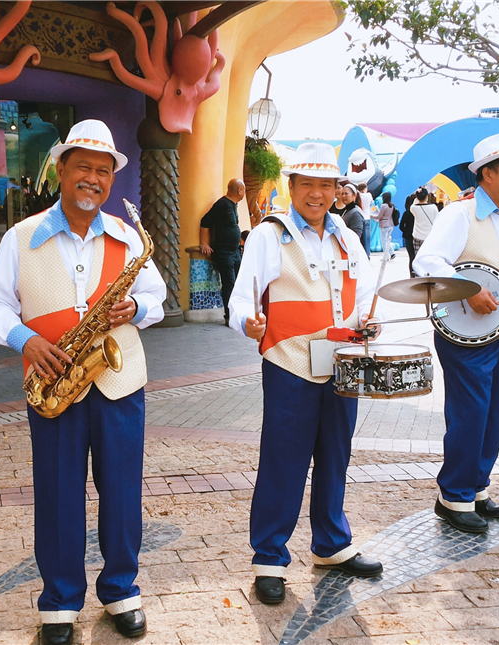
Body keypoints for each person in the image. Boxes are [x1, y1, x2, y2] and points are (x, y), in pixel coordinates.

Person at [0, 119, 166, 645]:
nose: (93, 178)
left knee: (123, 492)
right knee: (58, 495)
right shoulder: (21, 236)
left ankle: (122, 590)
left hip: (119, 382)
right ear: (60, 169)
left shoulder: (129, 237)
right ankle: (59, 601)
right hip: (54, 382)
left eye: (103, 171)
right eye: (83, 166)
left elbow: (159, 297)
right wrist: (24, 341)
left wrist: (137, 307)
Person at [228, 142, 383, 607]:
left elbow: (362, 297)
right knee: (284, 462)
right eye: (308, 185)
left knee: (335, 456)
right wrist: (248, 322)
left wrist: (367, 321)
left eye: (326, 185)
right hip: (289, 363)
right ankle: (269, 560)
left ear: (338, 190)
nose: (317, 194)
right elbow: (241, 300)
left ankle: (332, 545)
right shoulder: (268, 235)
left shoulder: (348, 237)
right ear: (291, 187)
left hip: (341, 362)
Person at [413, 132, 499, 534]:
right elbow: (427, 260)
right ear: (487, 174)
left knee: (495, 412)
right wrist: (469, 288)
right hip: (466, 335)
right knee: (470, 414)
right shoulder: (460, 214)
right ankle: (454, 497)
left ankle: (477, 488)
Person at [199, 178, 245, 325]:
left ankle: (238, 313)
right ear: (239, 191)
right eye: (244, 190)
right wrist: (204, 243)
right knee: (229, 283)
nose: (244, 193)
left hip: (235, 251)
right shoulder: (222, 205)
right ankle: (229, 316)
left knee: (239, 282)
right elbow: (205, 221)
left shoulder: (233, 205)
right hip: (224, 251)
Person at [330, 183, 368, 256]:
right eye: (342, 194)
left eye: (346, 194)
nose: (343, 196)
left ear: (354, 196)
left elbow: (356, 236)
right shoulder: (347, 210)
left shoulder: (356, 212)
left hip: (354, 253)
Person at [410, 187, 439, 255]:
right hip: (430, 236)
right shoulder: (433, 207)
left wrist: (417, 198)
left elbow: (414, 203)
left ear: (417, 198)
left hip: (417, 236)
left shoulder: (413, 208)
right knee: (429, 256)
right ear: (427, 197)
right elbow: (437, 219)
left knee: (418, 257)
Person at [375, 191, 397, 260]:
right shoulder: (391, 205)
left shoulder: (383, 206)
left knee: (384, 241)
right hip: (391, 224)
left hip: (384, 225)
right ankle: (392, 253)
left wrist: (371, 215)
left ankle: (386, 256)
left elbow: (379, 216)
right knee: (387, 240)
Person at [401, 193, 417, 276]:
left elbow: (401, 226)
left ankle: (412, 274)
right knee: (417, 256)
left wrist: (406, 231)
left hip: (407, 237)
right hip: (417, 236)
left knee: (411, 257)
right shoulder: (416, 213)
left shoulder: (406, 213)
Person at [357, 181, 374, 254]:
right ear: (365, 188)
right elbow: (371, 203)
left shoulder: (357, 196)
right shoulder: (369, 195)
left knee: (359, 238)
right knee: (367, 238)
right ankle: (367, 255)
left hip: (359, 217)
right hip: (367, 217)